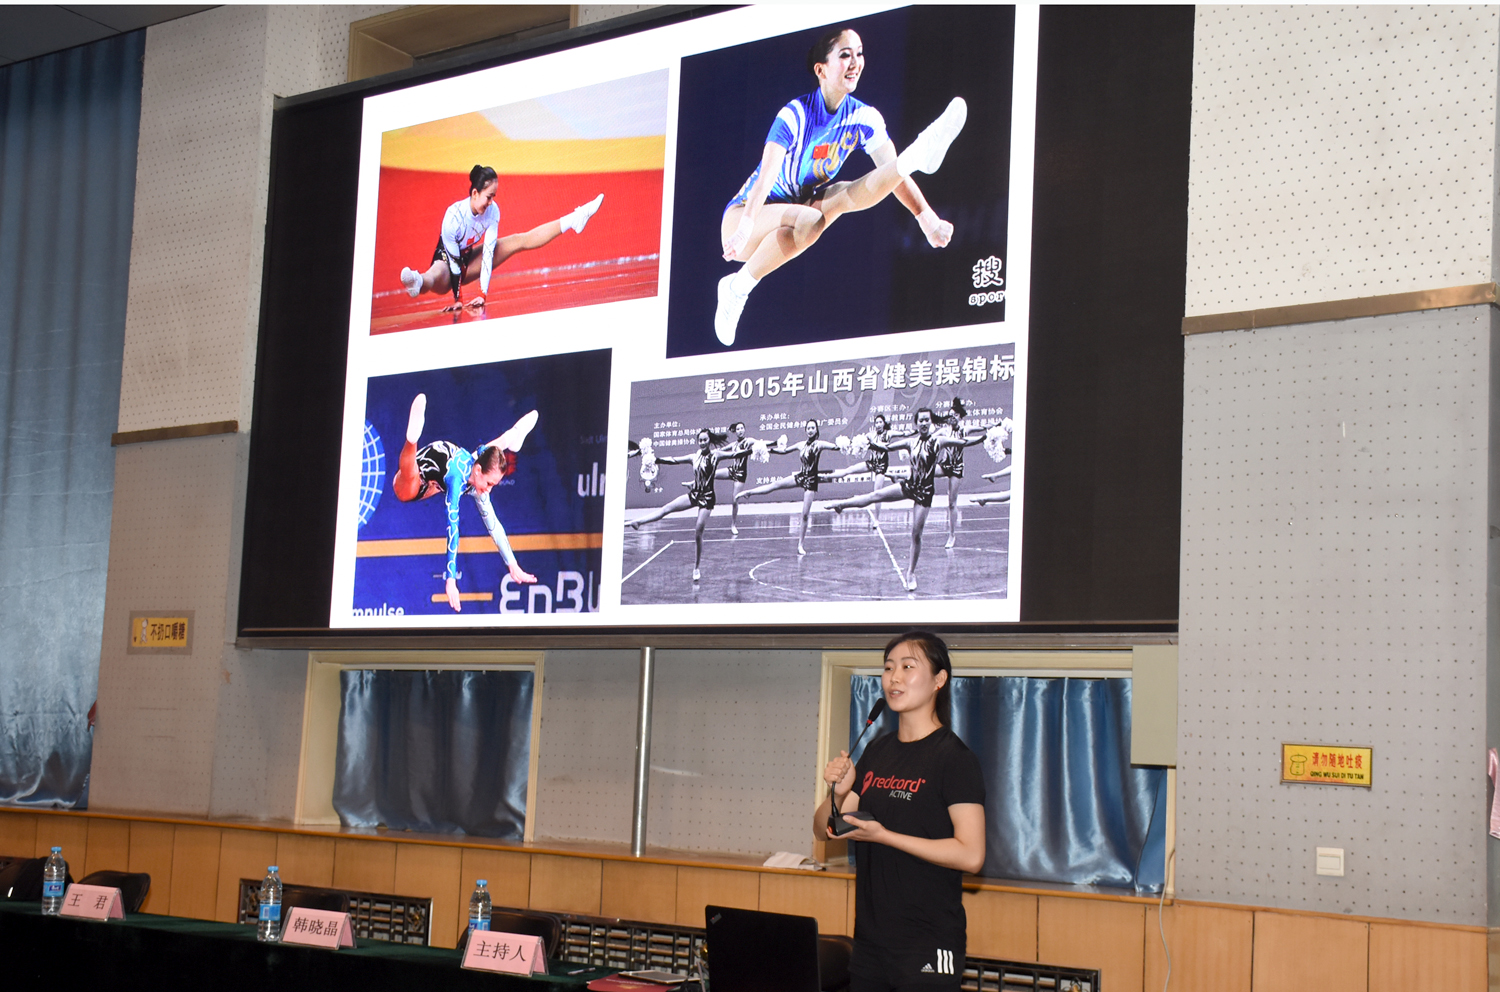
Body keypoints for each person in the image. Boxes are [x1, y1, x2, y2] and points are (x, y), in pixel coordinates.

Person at [713, 27, 968, 345]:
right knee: (811, 218)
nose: (855, 62)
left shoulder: (864, 117)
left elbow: (890, 176)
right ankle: (735, 289)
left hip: (799, 211)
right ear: (821, 70)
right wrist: (745, 226)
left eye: (859, 54)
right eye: (845, 55)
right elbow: (766, 175)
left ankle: (914, 156)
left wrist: (926, 218)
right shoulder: (794, 115)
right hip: (745, 216)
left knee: (843, 194)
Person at [815, 631, 986, 992]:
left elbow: (971, 855)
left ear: (939, 679)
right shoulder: (877, 751)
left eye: (908, 667)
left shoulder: (955, 759)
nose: (894, 678)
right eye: (889, 667)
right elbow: (825, 830)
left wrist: (885, 836)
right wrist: (838, 794)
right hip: (870, 943)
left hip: (928, 942)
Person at [392, 394, 539, 612]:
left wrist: (513, 564)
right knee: (408, 479)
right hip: (422, 477)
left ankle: (513, 436)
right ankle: (412, 438)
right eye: (489, 483)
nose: (489, 490)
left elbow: (495, 526)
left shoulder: (477, 465)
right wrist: (451, 580)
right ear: (478, 472)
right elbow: (453, 528)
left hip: (443, 469)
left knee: (492, 450)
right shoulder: (456, 480)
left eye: (493, 485)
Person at [399, 165, 604, 310]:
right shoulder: (453, 217)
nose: (491, 202)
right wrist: (458, 298)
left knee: (518, 240)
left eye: (493, 197)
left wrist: (482, 294)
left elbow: (488, 253)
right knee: (438, 274)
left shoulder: (492, 211)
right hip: (448, 262)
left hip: (468, 258)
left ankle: (574, 219)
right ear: (475, 193)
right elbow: (454, 264)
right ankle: (418, 280)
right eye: (488, 197)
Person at [826, 408, 984, 591]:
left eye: (927, 420)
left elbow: (964, 442)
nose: (923, 423)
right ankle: (842, 504)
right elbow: (887, 447)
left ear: (931, 422)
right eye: (920, 420)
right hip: (909, 486)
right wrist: (868, 445)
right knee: (875, 496)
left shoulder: (938, 441)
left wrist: (985, 438)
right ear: (916, 423)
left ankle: (911, 573)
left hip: (925, 493)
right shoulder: (911, 442)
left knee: (916, 534)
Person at [627, 428, 739, 583]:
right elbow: (674, 460)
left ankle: (696, 567)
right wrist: (656, 460)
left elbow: (735, 454)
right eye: (700, 440)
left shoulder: (716, 455)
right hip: (694, 495)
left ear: (709, 441)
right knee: (666, 509)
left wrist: (754, 450)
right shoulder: (694, 457)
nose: (702, 443)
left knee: (698, 531)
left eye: (705, 440)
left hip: (707, 499)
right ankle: (639, 522)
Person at [733, 419, 840, 556]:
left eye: (813, 428)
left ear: (816, 430)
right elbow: (784, 451)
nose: (810, 430)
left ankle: (800, 544)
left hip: (811, 481)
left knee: (805, 515)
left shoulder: (819, 444)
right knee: (775, 485)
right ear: (805, 430)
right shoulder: (801, 445)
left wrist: (844, 445)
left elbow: (835, 447)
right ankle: (749, 492)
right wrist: (768, 450)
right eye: (808, 428)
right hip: (801, 476)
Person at [825, 413, 897, 528]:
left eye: (880, 422)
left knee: (877, 492)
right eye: (876, 422)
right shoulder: (870, 435)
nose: (878, 424)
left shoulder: (889, 434)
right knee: (850, 469)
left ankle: (877, 520)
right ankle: (827, 477)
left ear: (884, 423)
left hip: (881, 466)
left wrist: (916, 432)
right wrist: (844, 445)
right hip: (871, 463)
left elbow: (904, 434)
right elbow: (857, 442)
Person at [712, 422, 769, 535]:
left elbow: (762, 443)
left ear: (744, 430)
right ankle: (694, 483)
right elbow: (722, 450)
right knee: (711, 474)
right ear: (735, 431)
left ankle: (733, 525)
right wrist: (713, 452)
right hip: (732, 470)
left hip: (740, 474)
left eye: (742, 428)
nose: (740, 430)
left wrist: (776, 443)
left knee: (735, 500)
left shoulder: (748, 441)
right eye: (738, 429)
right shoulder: (734, 444)